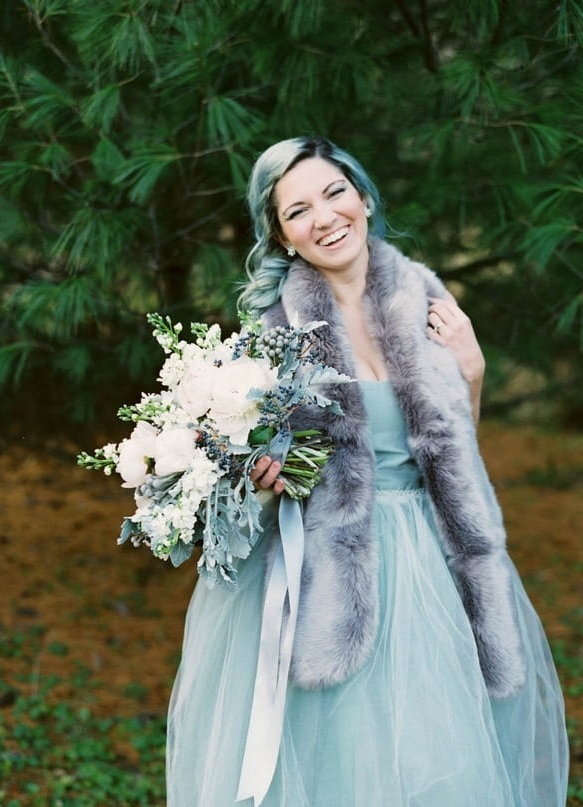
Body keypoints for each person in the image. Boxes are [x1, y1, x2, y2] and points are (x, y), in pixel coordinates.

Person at [166, 136, 568, 806]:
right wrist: (263, 474)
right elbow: (249, 464)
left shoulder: (425, 297)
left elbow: (455, 456)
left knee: (432, 759)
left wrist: (474, 372)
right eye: (297, 211)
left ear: (364, 197)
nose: (323, 217)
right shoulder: (272, 334)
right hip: (325, 575)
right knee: (339, 767)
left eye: (333, 193)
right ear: (284, 237)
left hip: (428, 570)